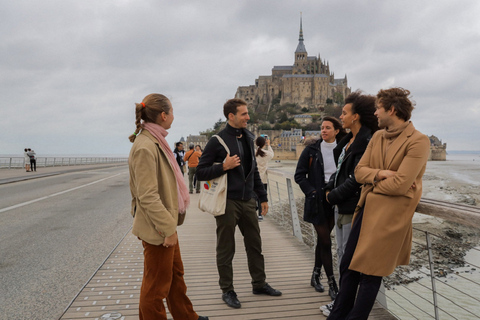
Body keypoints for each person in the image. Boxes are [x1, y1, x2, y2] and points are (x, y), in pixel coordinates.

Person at [327, 88, 430, 320]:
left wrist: (371, 184)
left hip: (390, 218)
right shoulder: (377, 136)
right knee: (349, 266)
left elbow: (401, 185)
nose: (374, 113)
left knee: (371, 274)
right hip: (366, 211)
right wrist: (382, 173)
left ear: (391, 110)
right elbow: (359, 171)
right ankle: (338, 315)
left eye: (378, 108)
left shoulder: (419, 141)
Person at [128, 93, 208, 320]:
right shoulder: (146, 146)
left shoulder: (156, 140)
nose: (173, 115)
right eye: (172, 111)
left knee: (175, 275)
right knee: (156, 287)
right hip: (158, 228)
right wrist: (168, 229)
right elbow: (147, 196)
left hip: (165, 223)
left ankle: (186, 317)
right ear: (163, 115)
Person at [196, 98, 282, 309]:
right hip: (227, 202)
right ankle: (228, 290)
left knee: (255, 244)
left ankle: (259, 284)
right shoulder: (217, 140)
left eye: (247, 113)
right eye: (244, 114)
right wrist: (223, 166)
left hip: (248, 200)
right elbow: (200, 172)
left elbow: (252, 172)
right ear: (231, 116)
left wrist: (262, 197)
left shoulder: (249, 137)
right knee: (226, 249)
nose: (248, 117)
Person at [320, 91, 378, 316]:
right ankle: (343, 304)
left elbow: (357, 177)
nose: (340, 116)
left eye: (344, 113)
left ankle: (343, 305)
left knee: (347, 257)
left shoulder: (367, 141)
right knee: (342, 254)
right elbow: (340, 171)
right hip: (340, 205)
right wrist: (328, 188)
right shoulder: (347, 142)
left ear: (356, 117)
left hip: (352, 205)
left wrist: (333, 195)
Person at [294, 117, 346, 299]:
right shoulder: (311, 149)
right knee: (325, 241)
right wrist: (312, 192)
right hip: (317, 200)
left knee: (323, 240)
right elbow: (299, 175)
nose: (323, 131)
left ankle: (316, 274)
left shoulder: (344, 148)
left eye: (327, 128)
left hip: (336, 198)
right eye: (322, 128)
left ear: (336, 130)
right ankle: (332, 283)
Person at [255, 135, 274, 221]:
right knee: (261, 197)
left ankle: (252, 212)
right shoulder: (266, 154)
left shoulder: (254, 152)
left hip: (254, 178)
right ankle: (260, 214)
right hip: (263, 179)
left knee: (254, 196)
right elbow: (272, 154)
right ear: (264, 144)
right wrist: (269, 145)